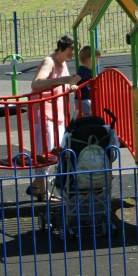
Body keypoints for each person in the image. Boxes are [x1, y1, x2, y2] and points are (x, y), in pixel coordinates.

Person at [27, 34, 81, 201]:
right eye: (72, 49)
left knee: (56, 151)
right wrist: (63, 79)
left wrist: (70, 84)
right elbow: (36, 83)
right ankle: (42, 192)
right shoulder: (48, 62)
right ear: (62, 48)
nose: (74, 54)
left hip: (58, 113)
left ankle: (37, 186)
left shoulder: (63, 64)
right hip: (44, 112)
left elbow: (62, 83)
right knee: (47, 152)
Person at [75, 45, 100, 117]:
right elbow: (75, 79)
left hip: (85, 98)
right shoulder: (84, 71)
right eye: (96, 59)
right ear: (90, 59)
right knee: (88, 116)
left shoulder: (88, 71)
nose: (97, 61)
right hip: (83, 99)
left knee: (89, 114)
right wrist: (73, 84)